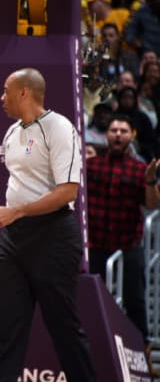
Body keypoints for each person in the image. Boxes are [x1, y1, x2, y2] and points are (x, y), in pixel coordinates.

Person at [0, 68, 96, 381]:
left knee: (64, 330)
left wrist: (16, 211)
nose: (1, 98)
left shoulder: (59, 128)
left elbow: (68, 191)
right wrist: (13, 215)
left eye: (6, 91)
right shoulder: (11, 132)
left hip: (54, 236)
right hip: (14, 240)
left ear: (24, 93)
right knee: (7, 333)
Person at [86, 115, 159, 372]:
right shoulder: (91, 166)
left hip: (128, 246)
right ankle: (91, 352)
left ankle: (143, 356)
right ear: (106, 135)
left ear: (132, 136)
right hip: (96, 245)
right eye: (113, 130)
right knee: (90, 299)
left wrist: (151, 180)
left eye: (123, 131)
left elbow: (151, 204)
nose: (118, 134)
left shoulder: (140, 170)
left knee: (136, 303)